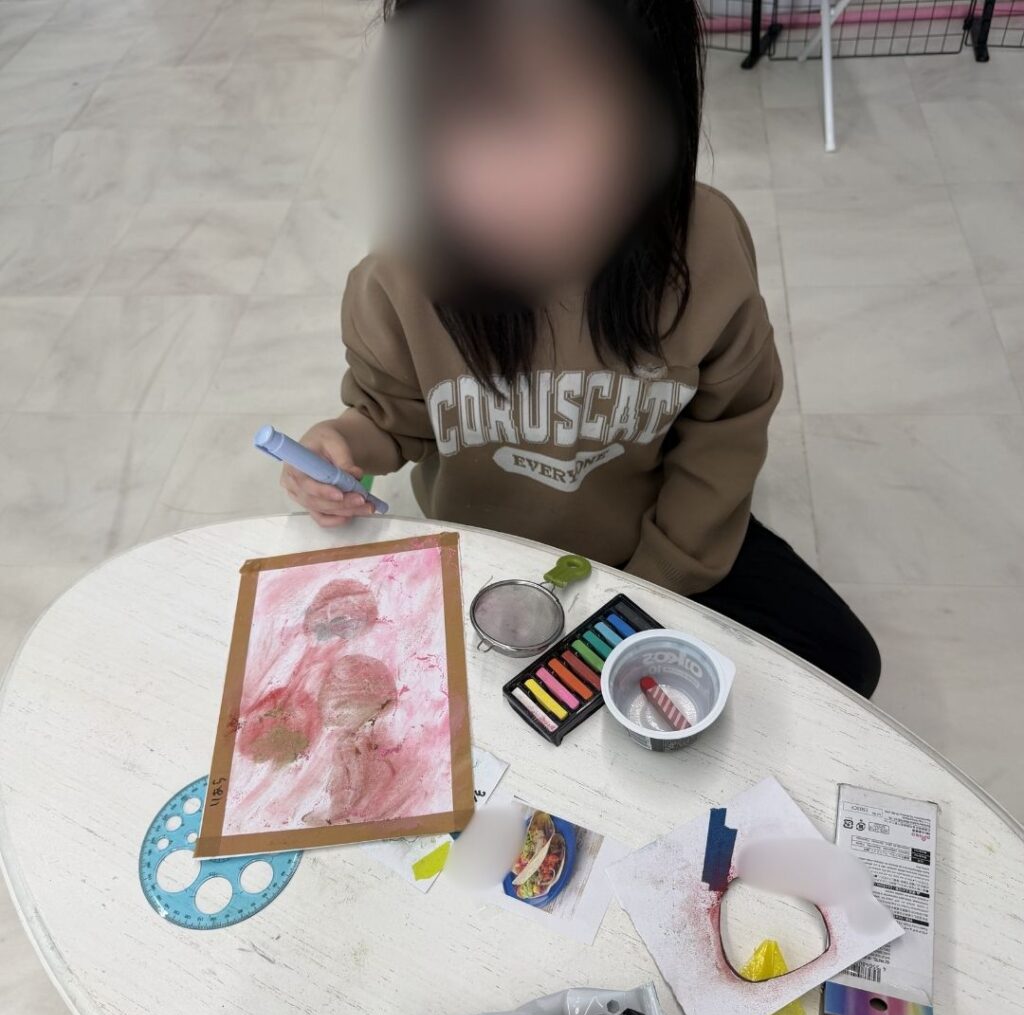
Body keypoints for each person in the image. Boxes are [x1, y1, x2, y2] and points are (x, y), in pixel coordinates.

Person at [282, 0, 881, 698]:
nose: (485, 170)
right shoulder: (400, 276)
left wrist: (653, 587)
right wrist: (344, 444)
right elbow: (390, 414)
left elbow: (727, 432)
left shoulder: (706, 251)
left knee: (843, 665)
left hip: (654, 551)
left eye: (533, 114)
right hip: (493, 564)